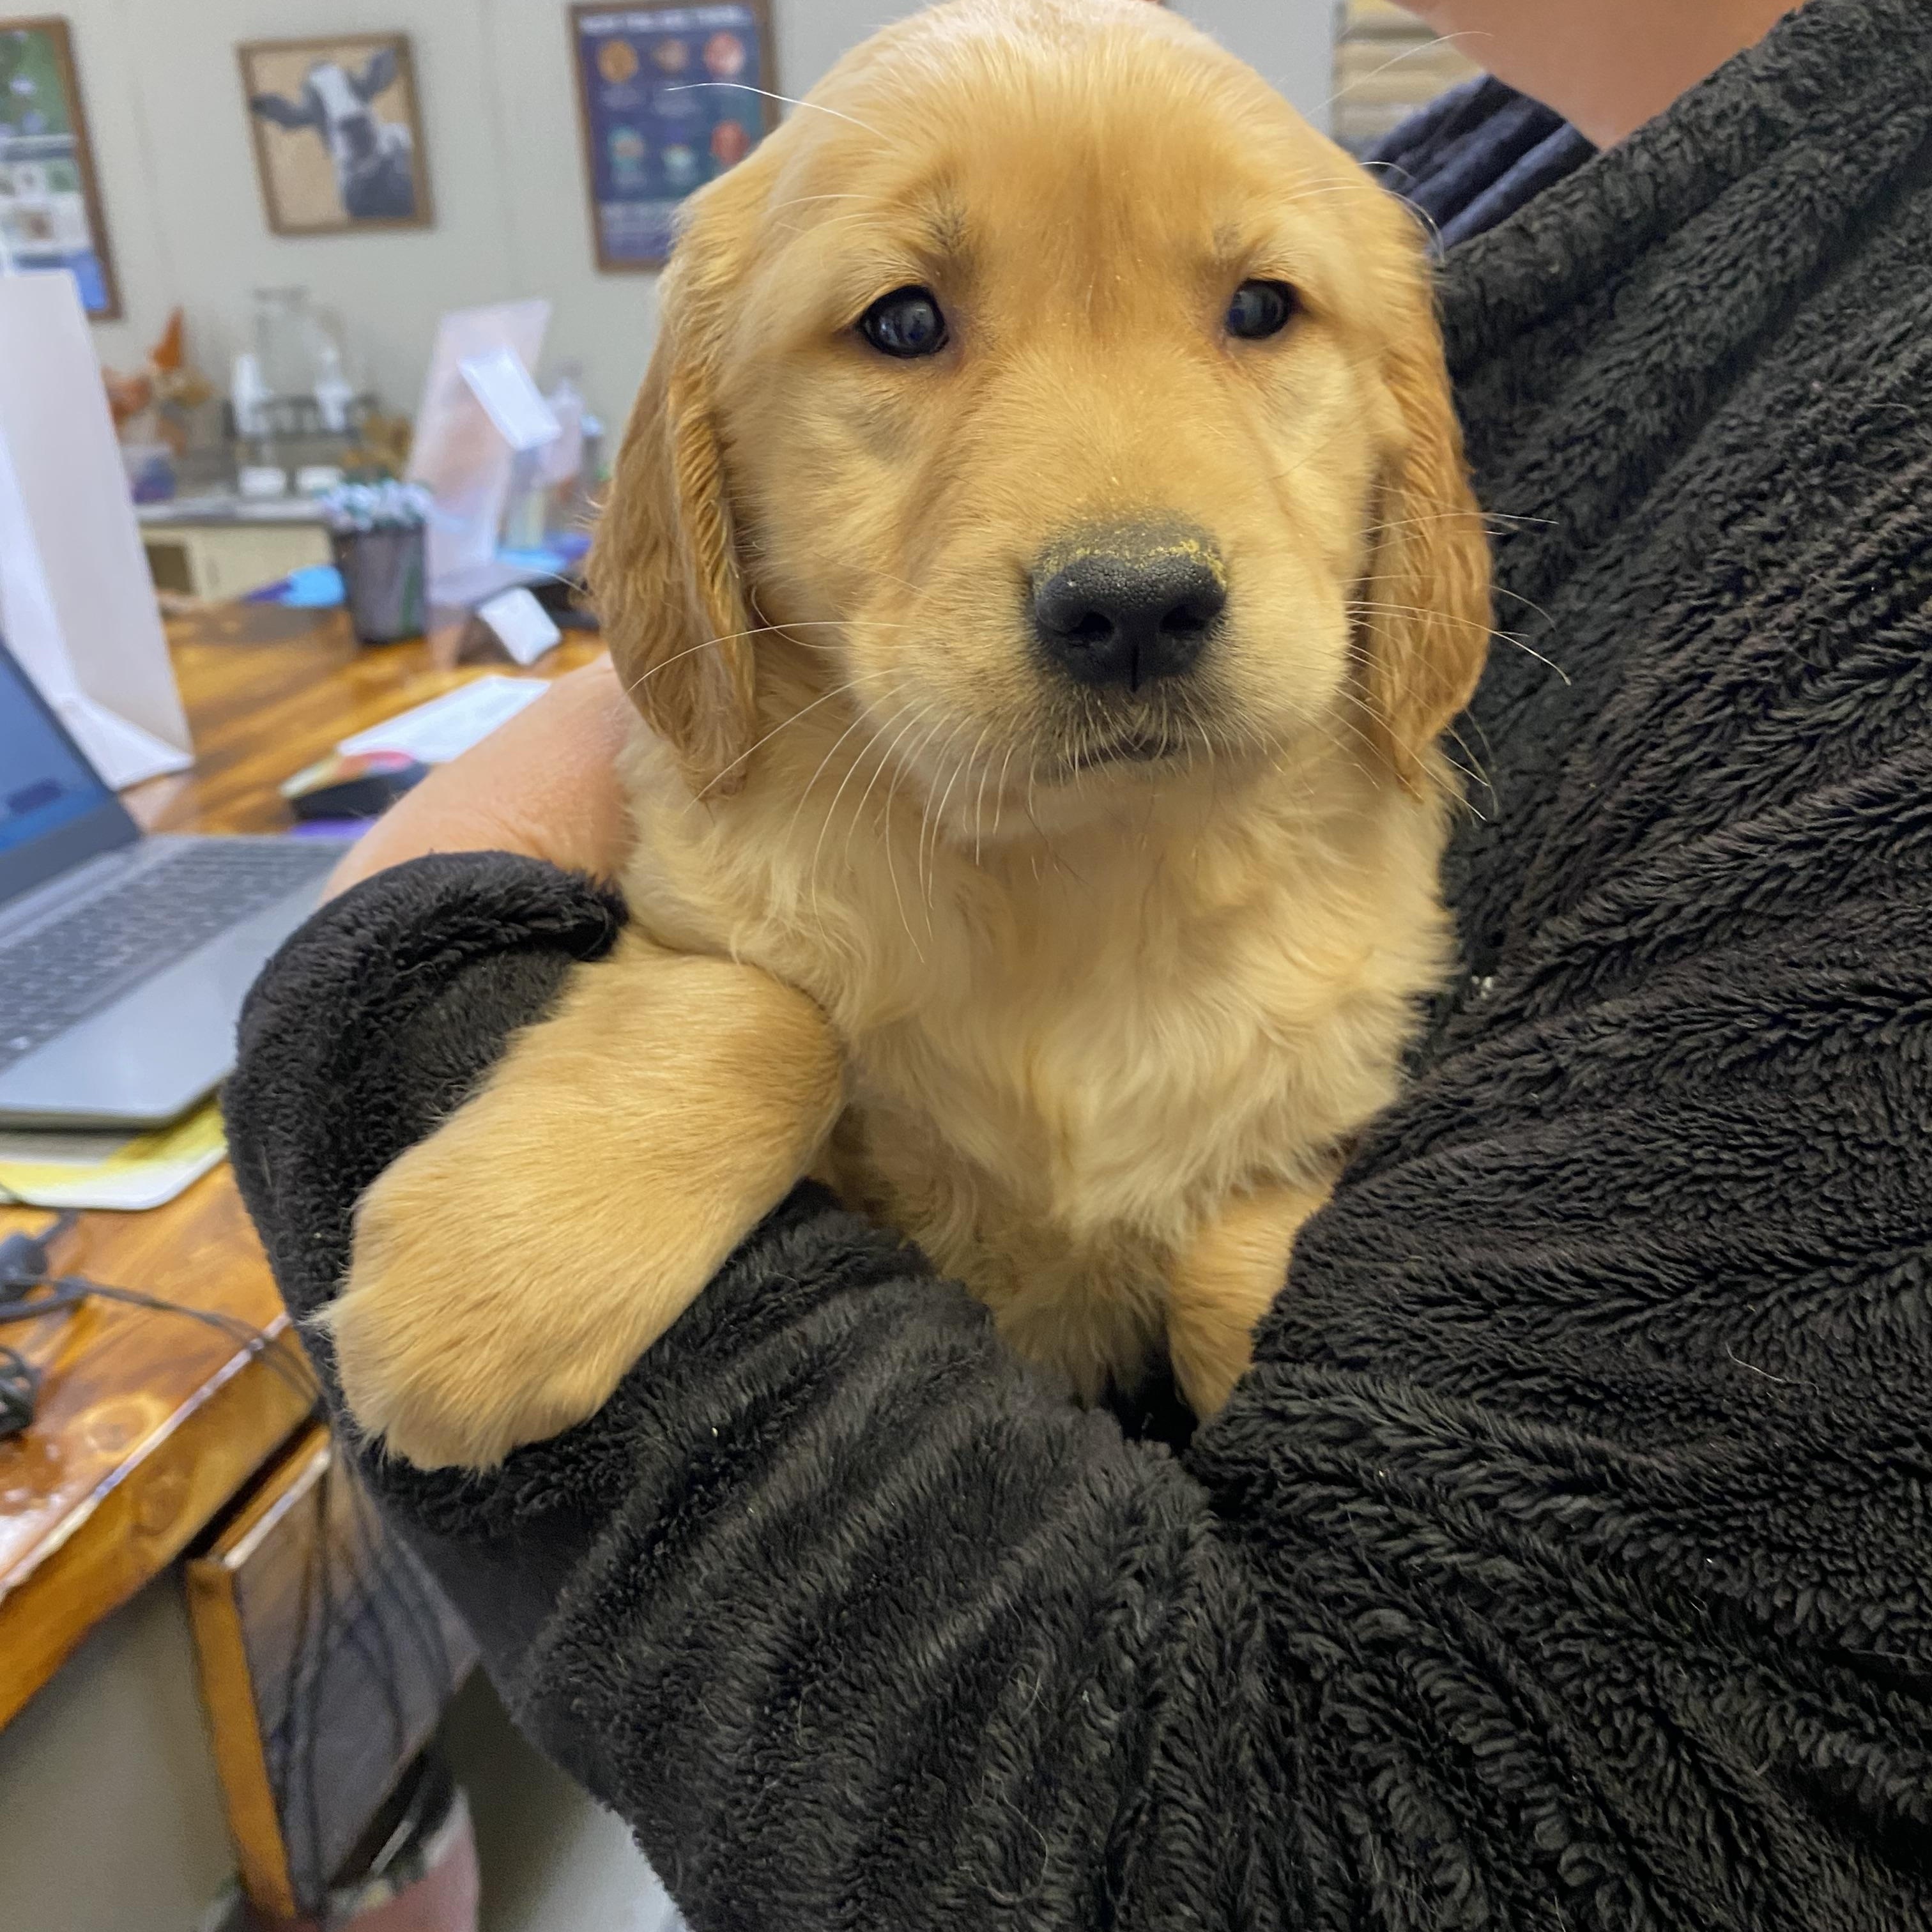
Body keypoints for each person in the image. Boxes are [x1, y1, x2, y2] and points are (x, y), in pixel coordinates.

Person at [227, 0, 1932, 1924]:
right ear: (706, 478)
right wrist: (718, 1050)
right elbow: (664, 756)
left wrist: (401, 975)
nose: (1126, 546)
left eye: (1260, 314)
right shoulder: (1492, 162)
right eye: (902, 324)